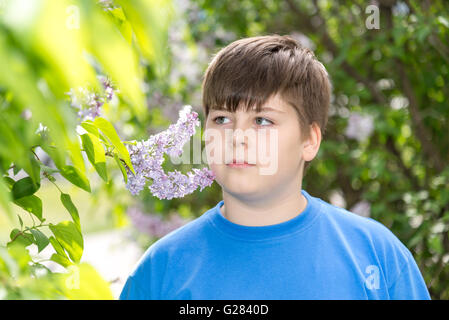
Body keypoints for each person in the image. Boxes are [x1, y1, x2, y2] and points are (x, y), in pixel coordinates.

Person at [119, 34, 430, 300]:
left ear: (310, 140)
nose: (237, 138)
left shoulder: (377, 255)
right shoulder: (160, 271)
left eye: (262, 120)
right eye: (222, 119)